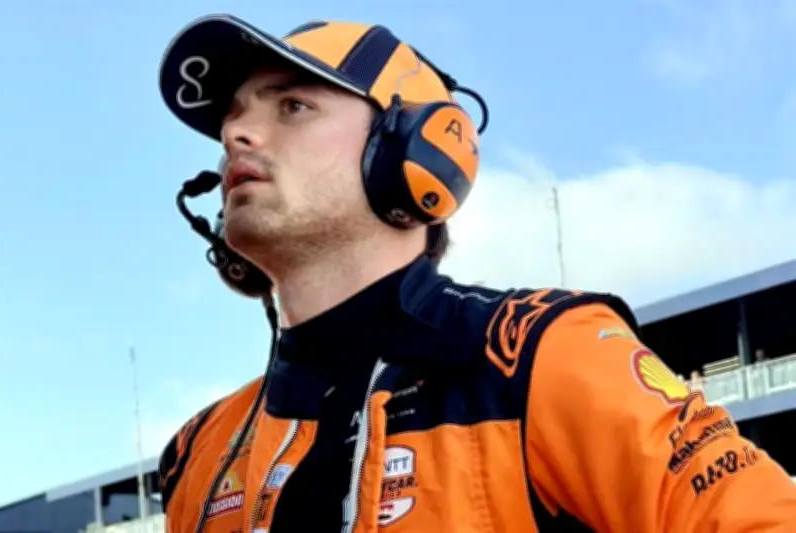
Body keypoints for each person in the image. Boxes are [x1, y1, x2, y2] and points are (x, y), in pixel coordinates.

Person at [157, 13, 796, 533]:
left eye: (293, 106)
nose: (237, 133)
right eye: (232, 116)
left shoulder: (541, 355)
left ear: (418, 150)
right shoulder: (200, 452)